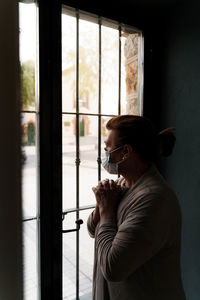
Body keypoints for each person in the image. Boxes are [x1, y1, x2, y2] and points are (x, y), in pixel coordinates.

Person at [87, 115, 186, 300]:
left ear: (125, 151)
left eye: (108, 146)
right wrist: (102, 203)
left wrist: (107, 211)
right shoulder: (122, 184)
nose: (105, 151)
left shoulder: (154, 199)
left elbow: (112, 268)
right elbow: (92, 229)